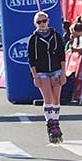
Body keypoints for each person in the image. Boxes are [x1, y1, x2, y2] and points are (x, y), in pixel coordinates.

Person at [27, 10, 67, 143]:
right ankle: (50, 124)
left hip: (56, 70)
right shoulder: (33, 38)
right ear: (35, 24)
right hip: (41, 71)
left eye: (44, 21)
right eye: (39, 22)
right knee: (48, 98)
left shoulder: (56, 35)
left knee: (56, 98)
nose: (42, 24)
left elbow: (62, 55)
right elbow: (31, 59)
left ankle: (56, 121)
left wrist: (63, 73)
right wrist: (35, 76)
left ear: (48, 21)